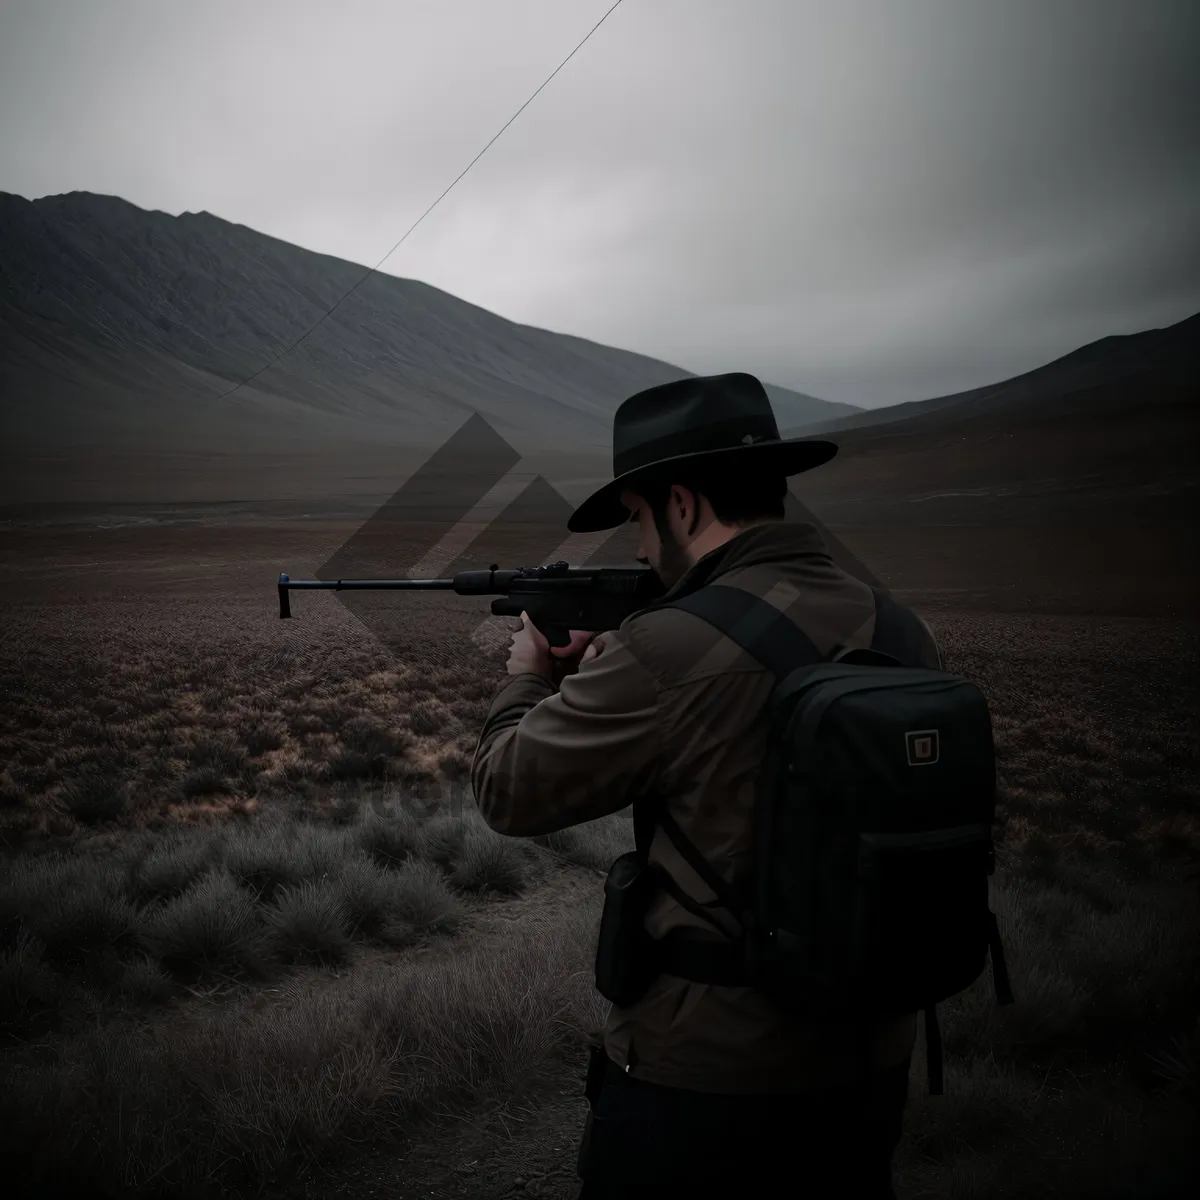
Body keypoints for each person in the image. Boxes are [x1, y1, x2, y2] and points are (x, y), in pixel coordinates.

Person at [471, 373, 941, 1198]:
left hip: (705, 1086)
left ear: (681, 505)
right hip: (870, 1058)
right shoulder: (899, 627)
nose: (641, 548)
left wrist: (527, 680)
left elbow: (510, 792)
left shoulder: (664, 650)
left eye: (639, 521)